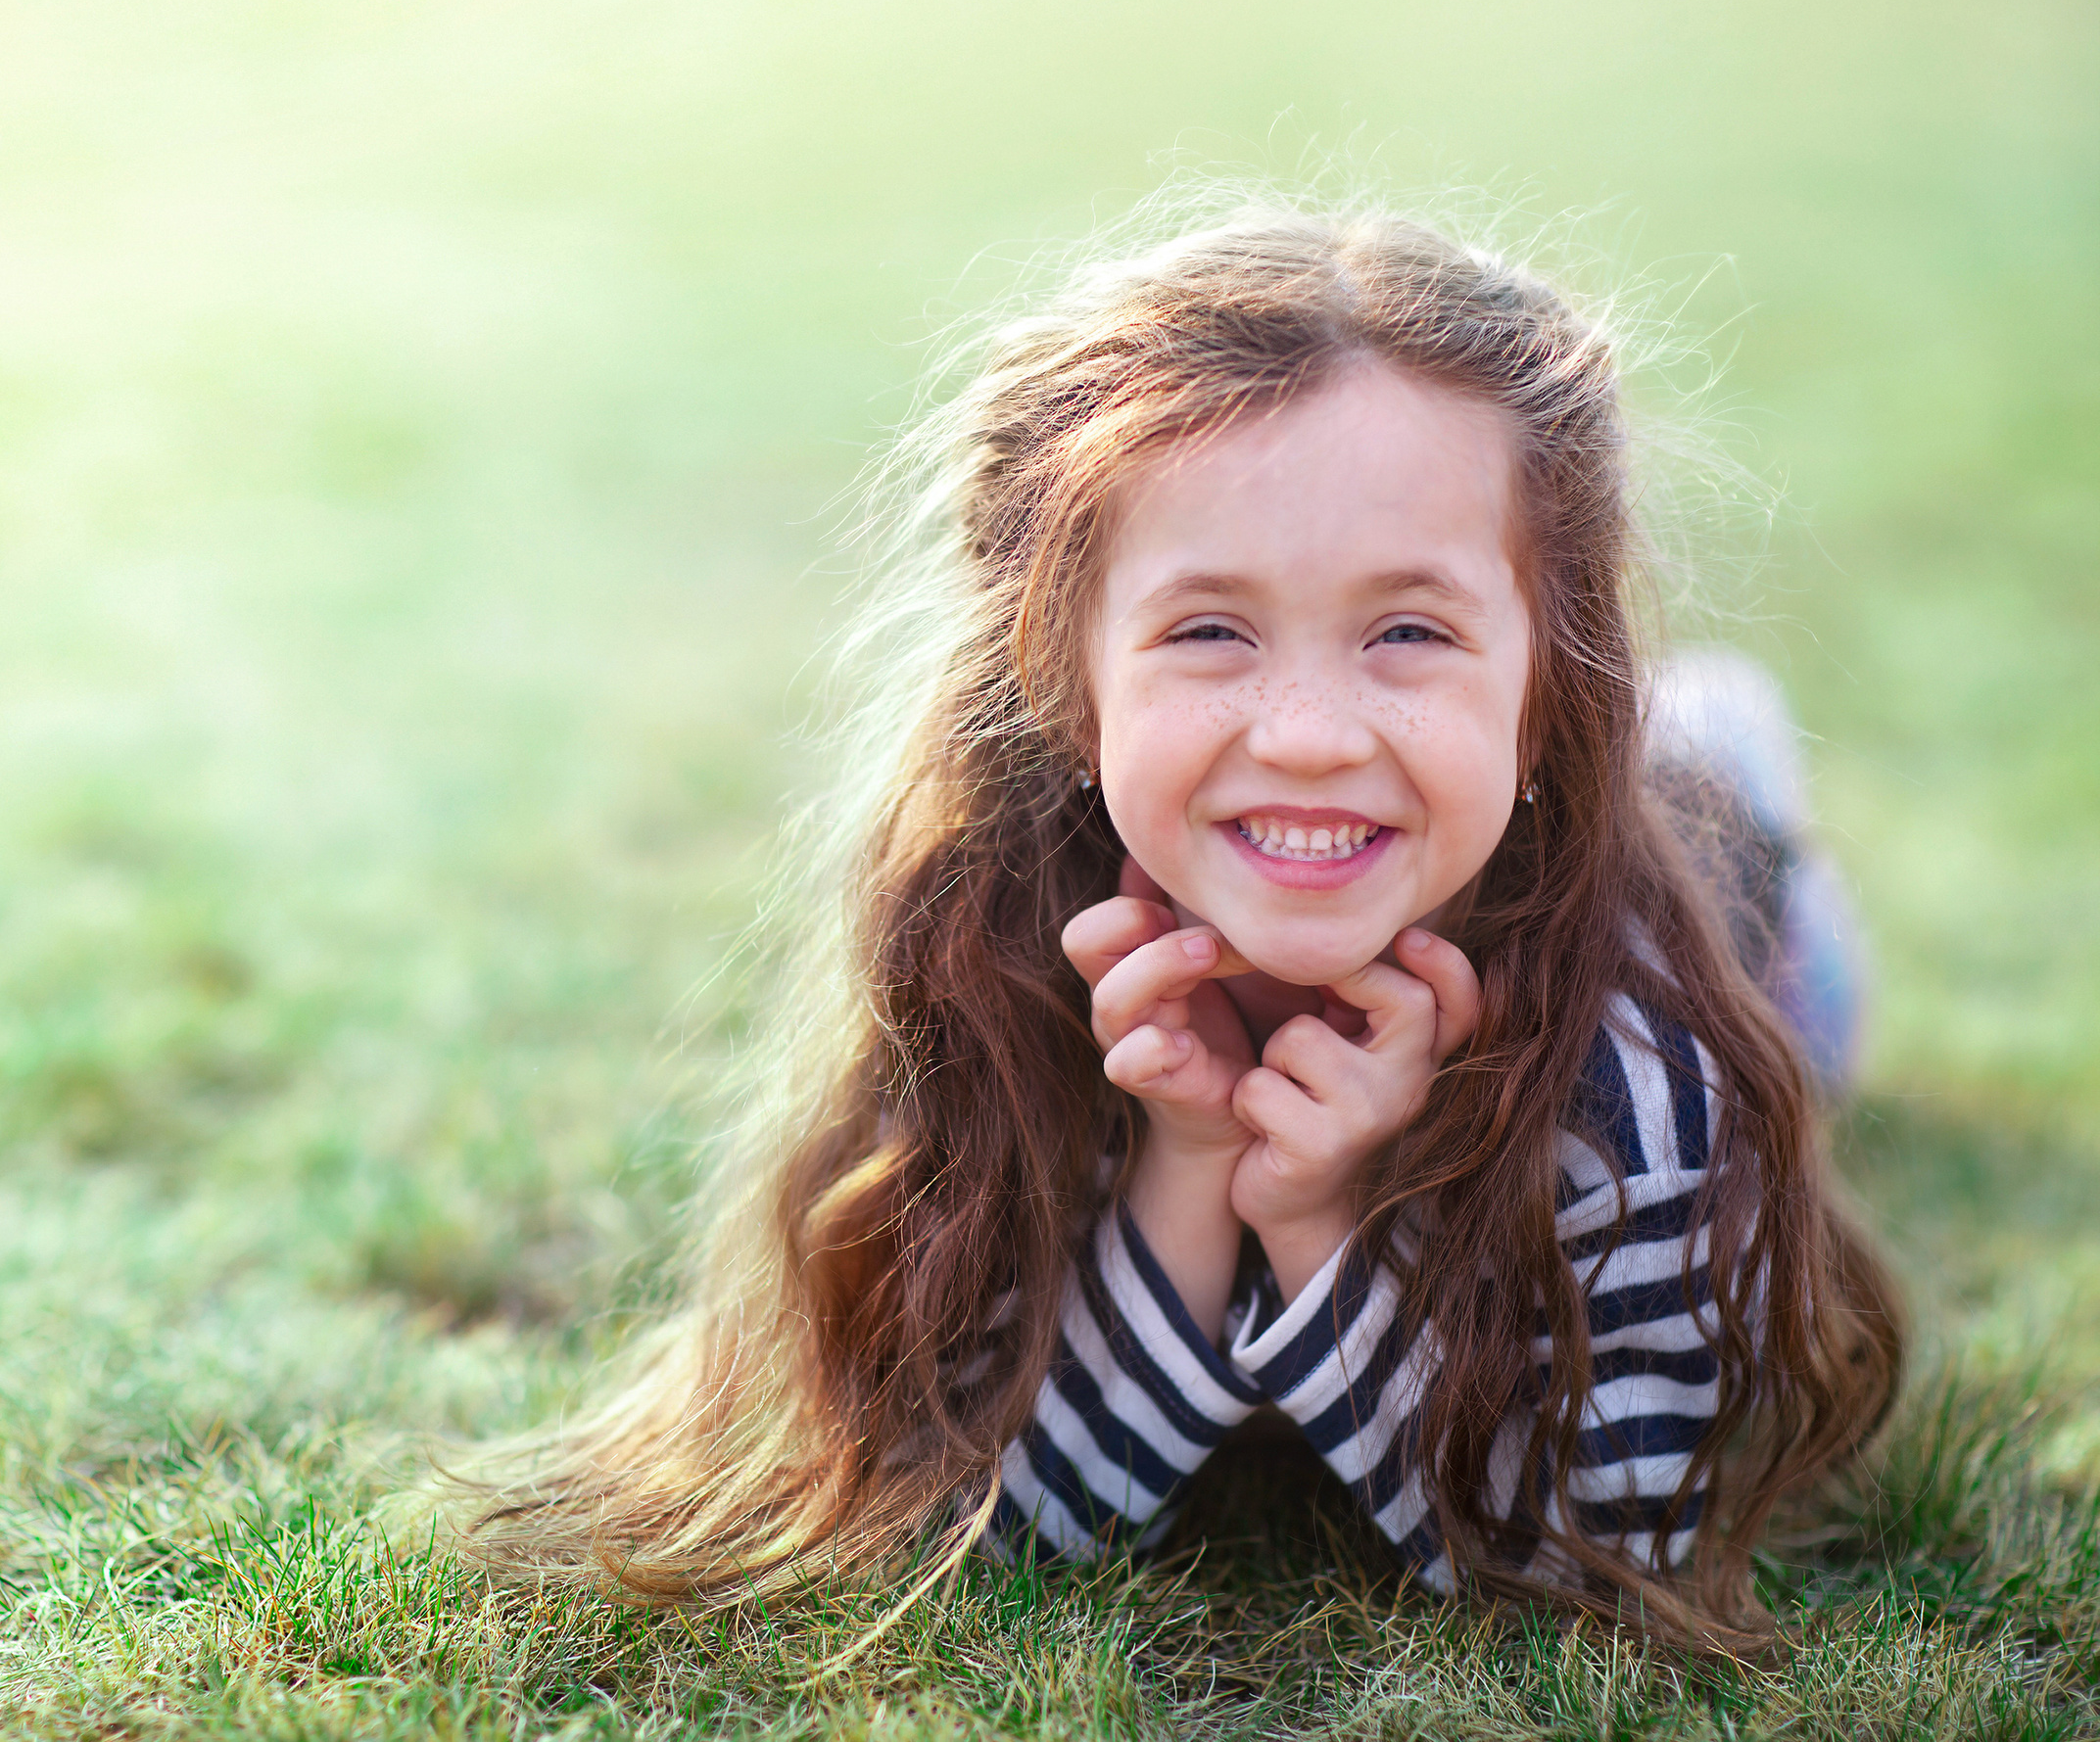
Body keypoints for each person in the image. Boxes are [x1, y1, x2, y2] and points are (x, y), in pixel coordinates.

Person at [438, 202, 1900, 1650]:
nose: (1313, 733)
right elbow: (999, 1528)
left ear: (1553, 686)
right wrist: (1192, 1166)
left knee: (1763, 910)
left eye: (1410, 630)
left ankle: (1723, 758)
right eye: (1212, 629)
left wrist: (1318, 1222)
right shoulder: (994, 974)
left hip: (1725, 926)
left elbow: (1600, 1562)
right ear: (1069, 688)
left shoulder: (1640, 1074)